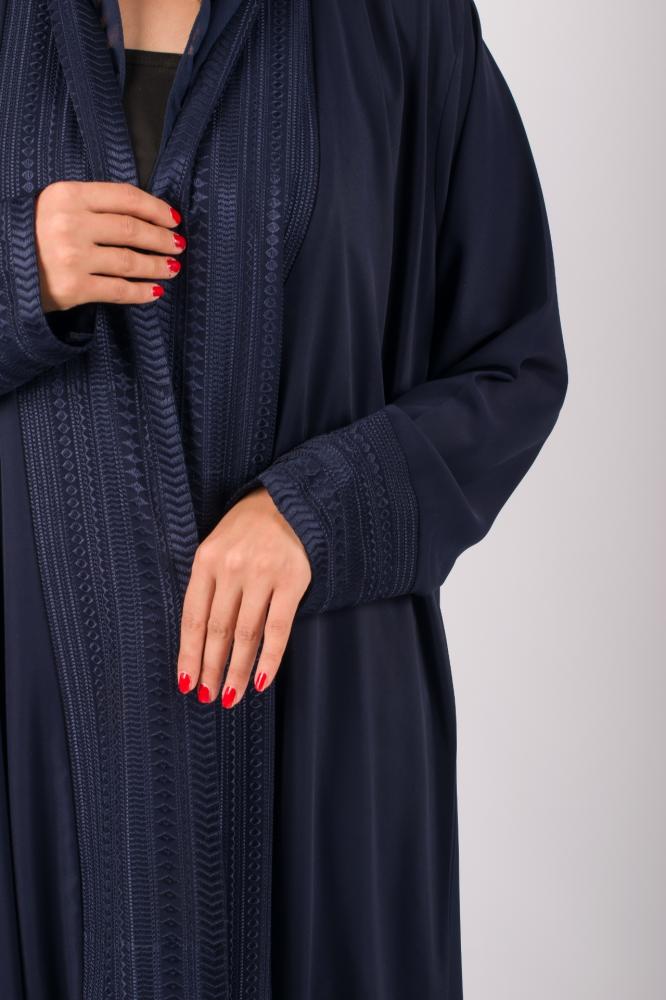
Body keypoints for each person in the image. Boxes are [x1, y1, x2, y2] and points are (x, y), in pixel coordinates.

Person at [0, 0, 568, 997]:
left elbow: (512, 365)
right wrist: (17, 274)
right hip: (43, 739)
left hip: (322, 724)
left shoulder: (402, 27)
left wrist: (316, 513)